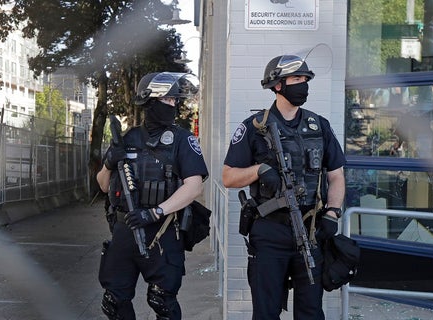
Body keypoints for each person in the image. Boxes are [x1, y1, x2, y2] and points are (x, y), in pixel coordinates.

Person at [222, 54, 346, 319]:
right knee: (266, 312)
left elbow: (336, 175)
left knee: (311, 312)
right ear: (278, 85)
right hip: (270, 231)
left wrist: (333, 213)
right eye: (297, 79)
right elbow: (228, 177)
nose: (303, 84)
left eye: (305, 79)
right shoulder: (254, 128)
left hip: (311, 229)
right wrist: (259, 170)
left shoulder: (319, 125)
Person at [97, 72, 208, 320]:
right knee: (114, 301)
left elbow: (194, 187)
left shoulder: (183, 139)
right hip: (125, 228)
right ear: (150, 101)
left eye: (174, 101)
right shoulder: (127, 138)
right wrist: (108, 164)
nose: (173, 105)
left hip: (163, 230)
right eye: (167, 100)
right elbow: (103, 186)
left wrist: (155, 212)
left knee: (162, 301)